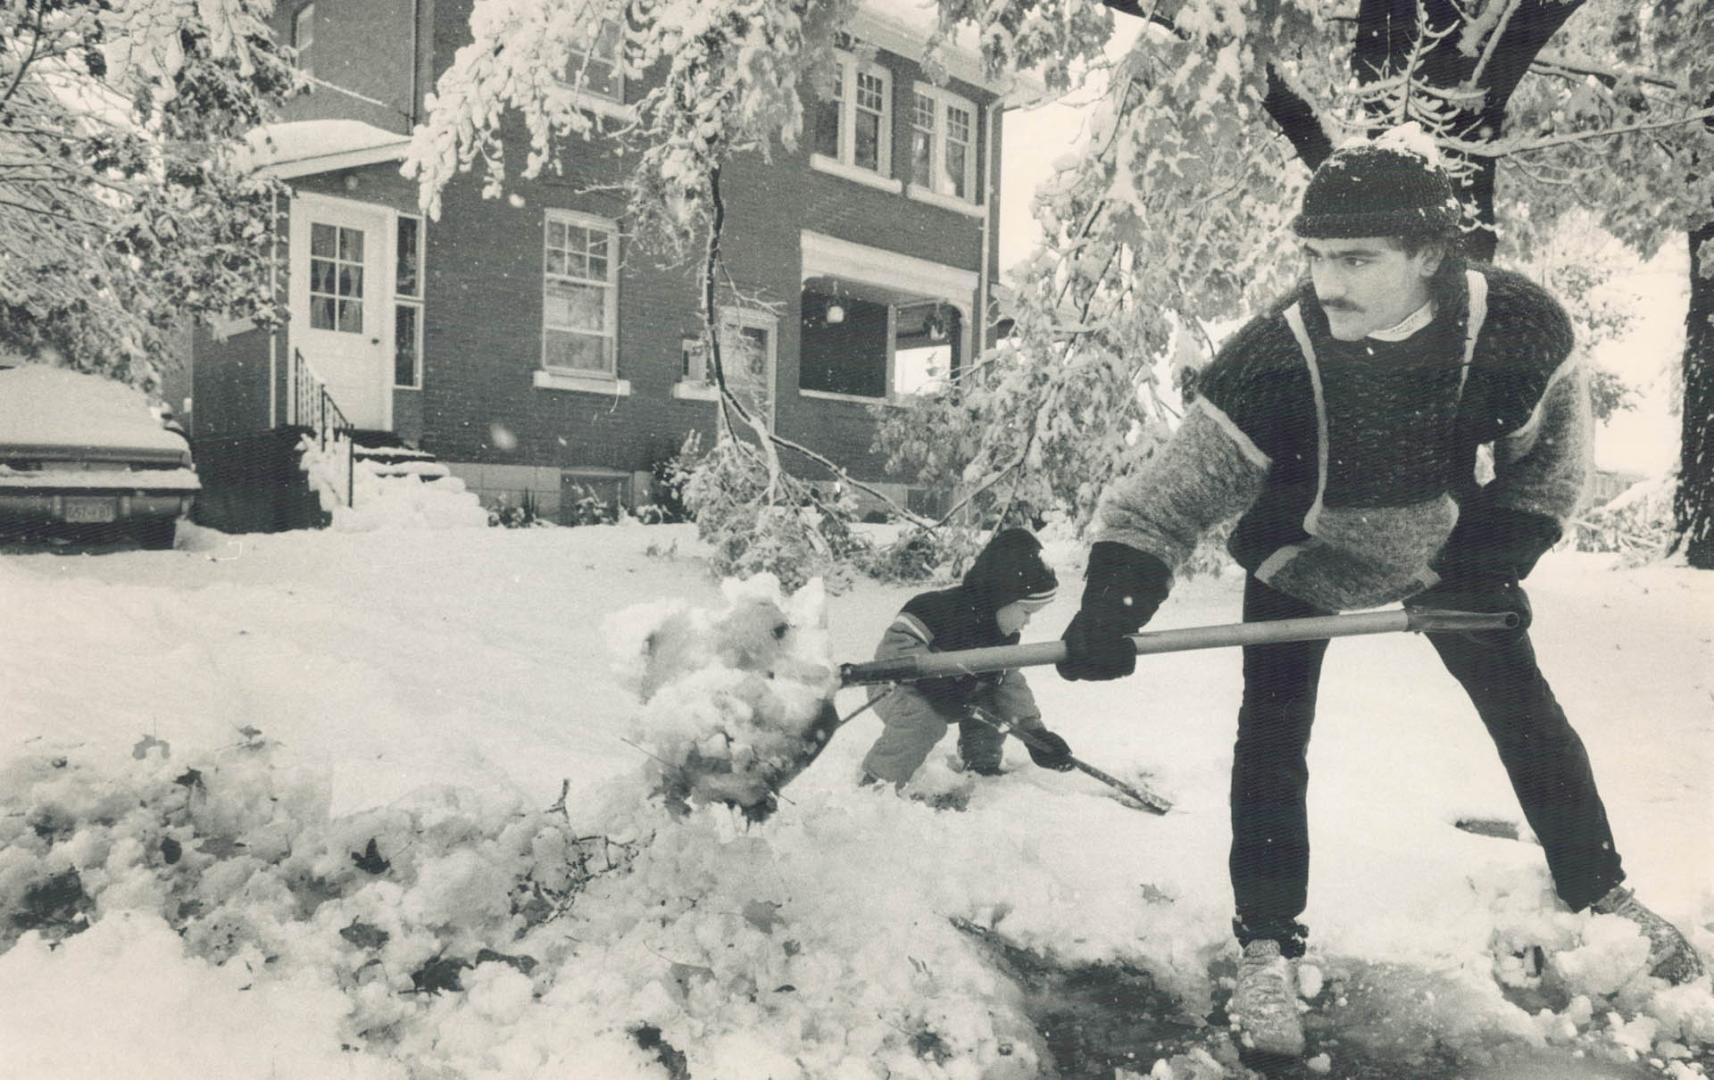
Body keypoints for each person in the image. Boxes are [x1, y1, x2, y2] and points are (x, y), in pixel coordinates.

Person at [1055, 127, 1705, 1059]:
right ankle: (1267, 946)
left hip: (1446, 560)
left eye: (1356, 259)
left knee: (1526, 711)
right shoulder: (1274, 357)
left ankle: (1601, 893)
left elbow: (1549, 471)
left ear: (1431, 257)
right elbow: (1165, 503)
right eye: (1316, 257)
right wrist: (1113, 603)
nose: (1328, 283)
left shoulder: (1518, 329)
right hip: (1301, 559)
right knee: (1272, 735)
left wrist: (1491, 566)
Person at [860, 528, 1075, 787]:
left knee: (992, 699)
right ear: (1002, 596)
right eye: (1026, 612)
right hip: (897, 688)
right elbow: (895, 652)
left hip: (957, 695)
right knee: (924, 718)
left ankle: (981, 763)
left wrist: (1035, 734)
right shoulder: (936, 609)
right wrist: (936, 685)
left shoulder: (1003, 636)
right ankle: (879, 781)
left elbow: (1010, 685)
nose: (1027, 622)